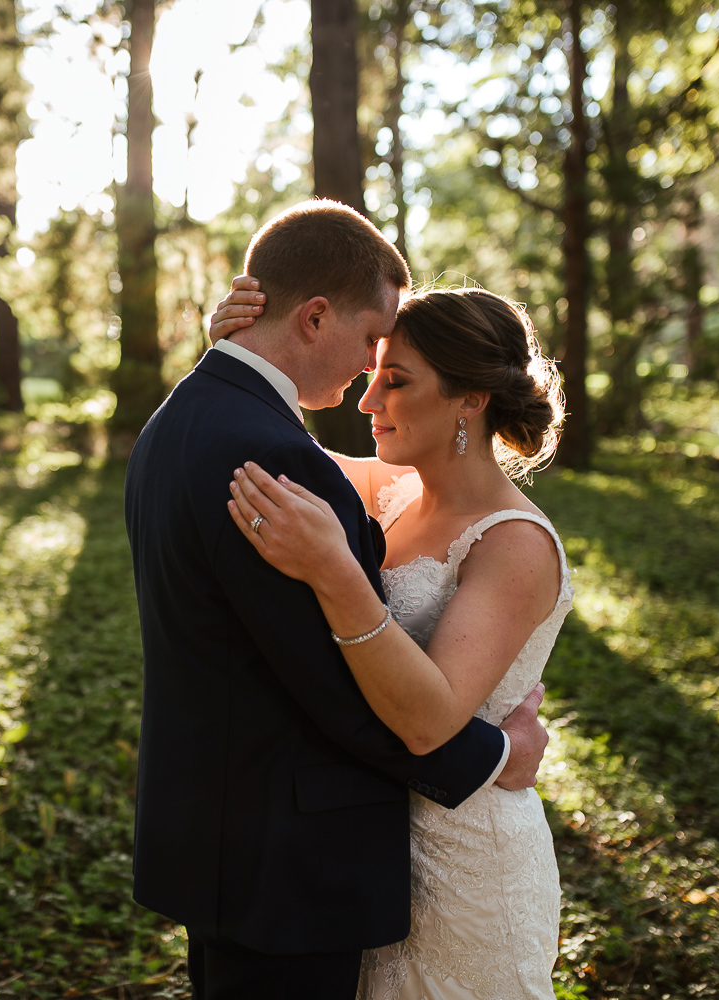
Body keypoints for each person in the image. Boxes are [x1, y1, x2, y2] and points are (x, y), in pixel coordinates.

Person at [122, 199, 550, 1000]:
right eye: (369, 349)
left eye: (395, 373)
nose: (366, 382)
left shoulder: (182, 419)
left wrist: (228, 351)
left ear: (470, 400)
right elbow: (333, 688)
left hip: (238, 848)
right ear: (316, 316)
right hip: (287, 866)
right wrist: (498, 756)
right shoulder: (274, 457)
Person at [211, 276, 571, 999]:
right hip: (374, 855)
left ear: (471, 397)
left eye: (396, 382)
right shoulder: (393, 490)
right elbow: (268, 445)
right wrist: (234, 354)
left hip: (471, 866)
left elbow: (430, 719)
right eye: (371, 376)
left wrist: (334, 572)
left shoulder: (515, 544)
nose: (367, 401)